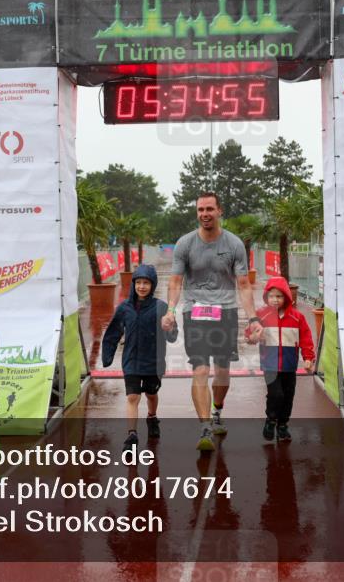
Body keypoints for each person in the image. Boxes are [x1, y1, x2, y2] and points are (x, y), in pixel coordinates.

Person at [161, 192, 264, 451]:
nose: (204, 214)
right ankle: (205, 426)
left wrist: (253, 318)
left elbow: (243, 284)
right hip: (194, 312)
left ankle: (217, 410)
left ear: (220, 211)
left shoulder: (234, 244)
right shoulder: (185, 244)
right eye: (200, 210)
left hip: (226, 312)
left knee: (222, 370)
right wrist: (171, 310)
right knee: (200, 369)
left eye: (209, 209)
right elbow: (175, 281)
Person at [102, 263, 178, 453]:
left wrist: (170, 327)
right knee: (133, 397)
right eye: (138, 282)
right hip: (131, 361)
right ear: (133, 284)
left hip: (154, 361)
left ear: (152, 285)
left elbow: (172, 336)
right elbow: (113, 332)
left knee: (151, 394)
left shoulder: (161, 307)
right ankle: (131, 434)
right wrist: (107, 355)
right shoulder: (124, 308)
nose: (142, 286)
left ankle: (152, 417)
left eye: (146, 283)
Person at [246, 277, 315, 442]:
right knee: (275, 394)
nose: (275, 300)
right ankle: (270, 420)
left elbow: (306, 338)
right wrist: (253, 336)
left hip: (289, 365)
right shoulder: (261, 315)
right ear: (266, 297)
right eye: (271, 296)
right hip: (269, 364)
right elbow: (249, 335)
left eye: (279, 296)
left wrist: (308, 358)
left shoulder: (297, 317)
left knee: (288, 396)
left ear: (287, 297)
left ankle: (283, 424)